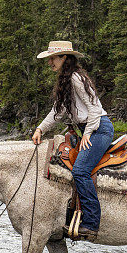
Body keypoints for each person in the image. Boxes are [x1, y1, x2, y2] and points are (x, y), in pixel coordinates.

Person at [31, 40, 114, 242]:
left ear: (64, 58)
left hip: (99, 129)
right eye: (49, 58)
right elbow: (57, 112)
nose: (50, 62)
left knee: (80, 170)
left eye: (53, 58)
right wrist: (41, 128)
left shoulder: (76, 78)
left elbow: (94, 106)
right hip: (89, 129)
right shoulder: (65, 80)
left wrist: (88, 133)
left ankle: (91, 224)